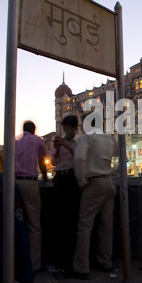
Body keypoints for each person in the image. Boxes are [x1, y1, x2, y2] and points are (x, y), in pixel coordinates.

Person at [70, 115, 118, 280]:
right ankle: (105, 262)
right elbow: (121, 156)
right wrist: (112, 171)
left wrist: (82, 181)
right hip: (109, 183)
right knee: (107, 226)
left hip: (94, 183)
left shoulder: (87, 137)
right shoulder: (110, 139)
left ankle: (82, 267)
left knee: (85, 225)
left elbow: (78, 158)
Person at [15, 120, 48, 272]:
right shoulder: (37, 140)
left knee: (15, 223)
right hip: (29, 184)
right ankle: (34, 265)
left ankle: (15, 262)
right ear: (34, 130)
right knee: (33, 225)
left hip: (14, 184)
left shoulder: (15, 142)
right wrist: (46, 179)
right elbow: (42, 161)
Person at [50, 115, 81, 271]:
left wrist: (67, 147)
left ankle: (71, 259)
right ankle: (59, 259)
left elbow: (80, 160)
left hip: (72, 179)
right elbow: (53, 163)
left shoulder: (80, 142)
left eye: (68, 129)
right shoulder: (57, 142)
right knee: (58, 219)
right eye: (64, 129)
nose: (65, 132)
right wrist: (56, 150)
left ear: (75, 128)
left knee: (72, 219)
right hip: (59, 179)